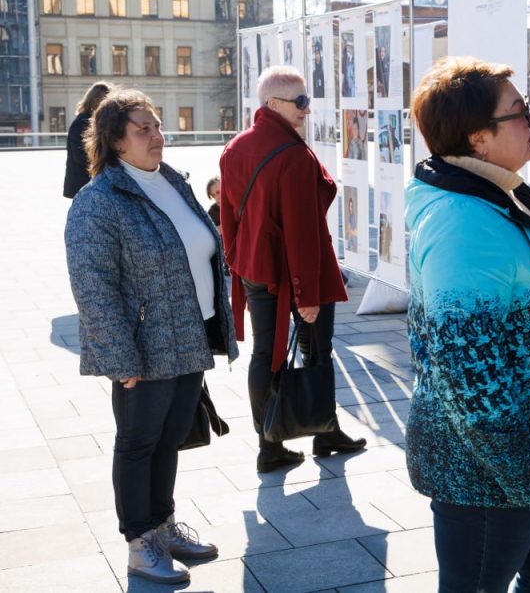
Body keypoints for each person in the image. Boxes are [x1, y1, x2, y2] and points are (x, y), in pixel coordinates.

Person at [406, 56, 530, 592]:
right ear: (478, 138)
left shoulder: (494, 195)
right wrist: (522, 474)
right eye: (519, 112)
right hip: (491, 468)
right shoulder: (461, 222)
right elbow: (467, 366)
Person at [65, 88, 238, 584]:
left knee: (170, 440)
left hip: (191, 333)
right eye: (143, 129)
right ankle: (140, 542)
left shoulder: (172, 182)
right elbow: (92, 286)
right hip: (144, 346)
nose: (157, 135)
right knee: (139, 442)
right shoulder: (99, 201)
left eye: (158, 125)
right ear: (117, 142)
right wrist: (120, 357)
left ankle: (162, 525)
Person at [220, 65, 366, 474]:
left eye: (308, 100)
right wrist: (306, 297)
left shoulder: (235, 147)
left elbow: (229, 216)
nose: (307, 109)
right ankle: (325, 431)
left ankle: (269, 445)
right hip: (299, 271)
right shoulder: (294, 155)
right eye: (299, 102)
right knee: (316, 350)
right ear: (273, 104)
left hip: (255, 267)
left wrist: (238, 257)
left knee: (265, 353)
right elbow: (303, 233)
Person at [63, 81, 112, 198]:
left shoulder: (93, 121)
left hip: (88, 182)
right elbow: (80, 155)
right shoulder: (83, 123)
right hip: (83, 182)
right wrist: (105, 165)